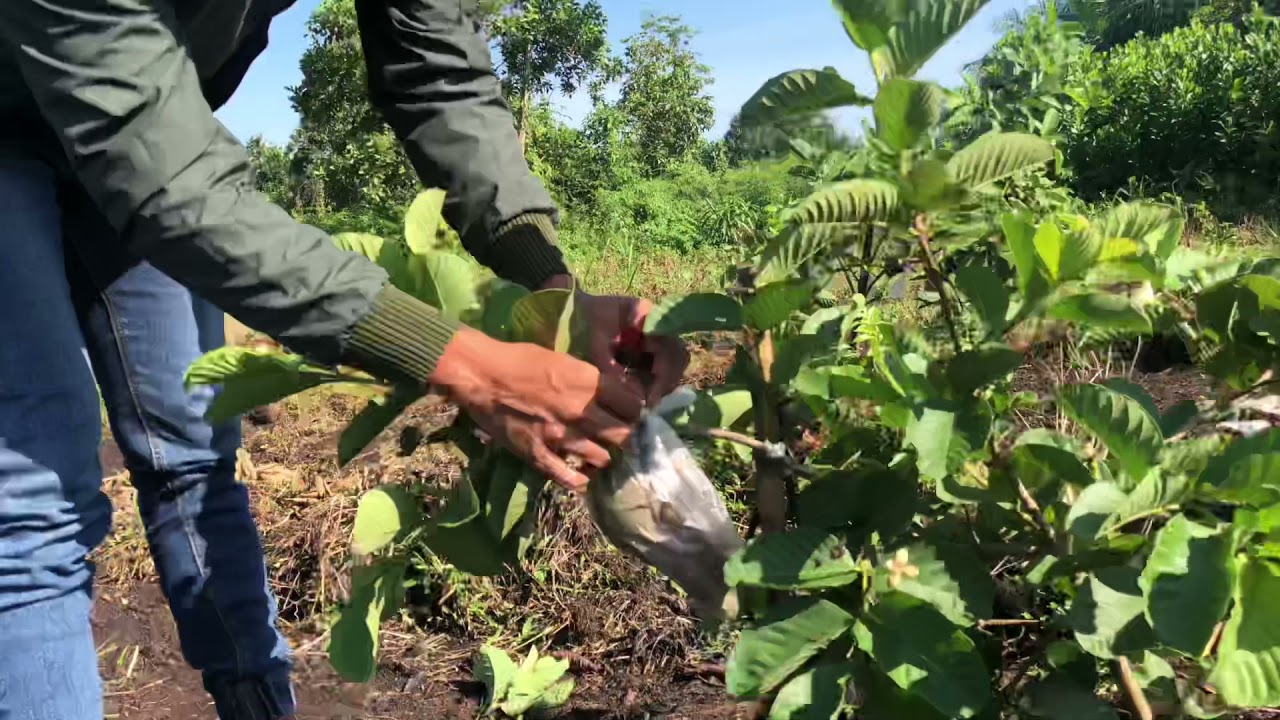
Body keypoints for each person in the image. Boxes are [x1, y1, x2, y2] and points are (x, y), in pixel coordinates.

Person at [0, 0, 689, 718]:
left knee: (196, 457)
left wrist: (553, 290)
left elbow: (437, 68)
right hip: (45, 109)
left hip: (143, 118)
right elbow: (159, 170)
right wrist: (467, 364)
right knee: (30, 505)